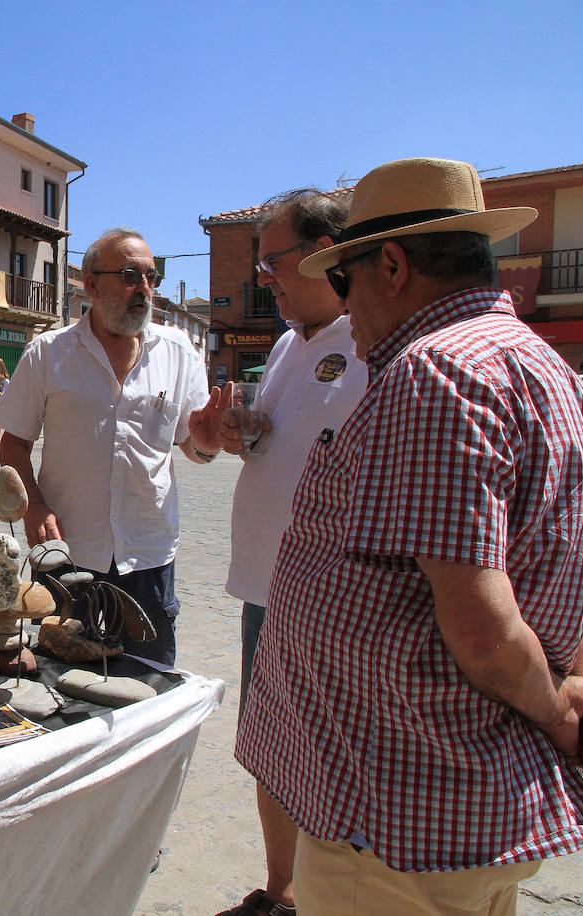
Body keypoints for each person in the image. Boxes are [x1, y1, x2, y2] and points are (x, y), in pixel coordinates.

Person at [234, 158, 583, 913]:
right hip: (450, 815)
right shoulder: (561, 376)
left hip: (397, 817)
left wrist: (559, 712)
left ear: (392, 265)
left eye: (343, 281)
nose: (347, 308)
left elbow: (480, 627)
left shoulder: (435, 370)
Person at [212, 189, 367, 916]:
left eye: (271, 260)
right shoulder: (284, 342)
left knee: (326, 758)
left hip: (328, 597)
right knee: (269, 749)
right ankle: (283, 892)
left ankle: (327, 896)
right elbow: (278, 438)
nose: (263, 277)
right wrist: (243, 429)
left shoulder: (371, 343)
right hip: (264, 587)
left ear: (323, 254)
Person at [0, 228, 227, 665]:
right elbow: (14, 445)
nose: (144, 288)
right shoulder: (49, 352)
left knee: (151, 681)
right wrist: (36, 506)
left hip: (149, 555)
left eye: (151, 277)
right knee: (61, 683)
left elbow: (193, 446)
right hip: (70, 552)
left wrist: (207, 444)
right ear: (92, 282)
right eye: (129, 275)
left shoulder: (178, 352)